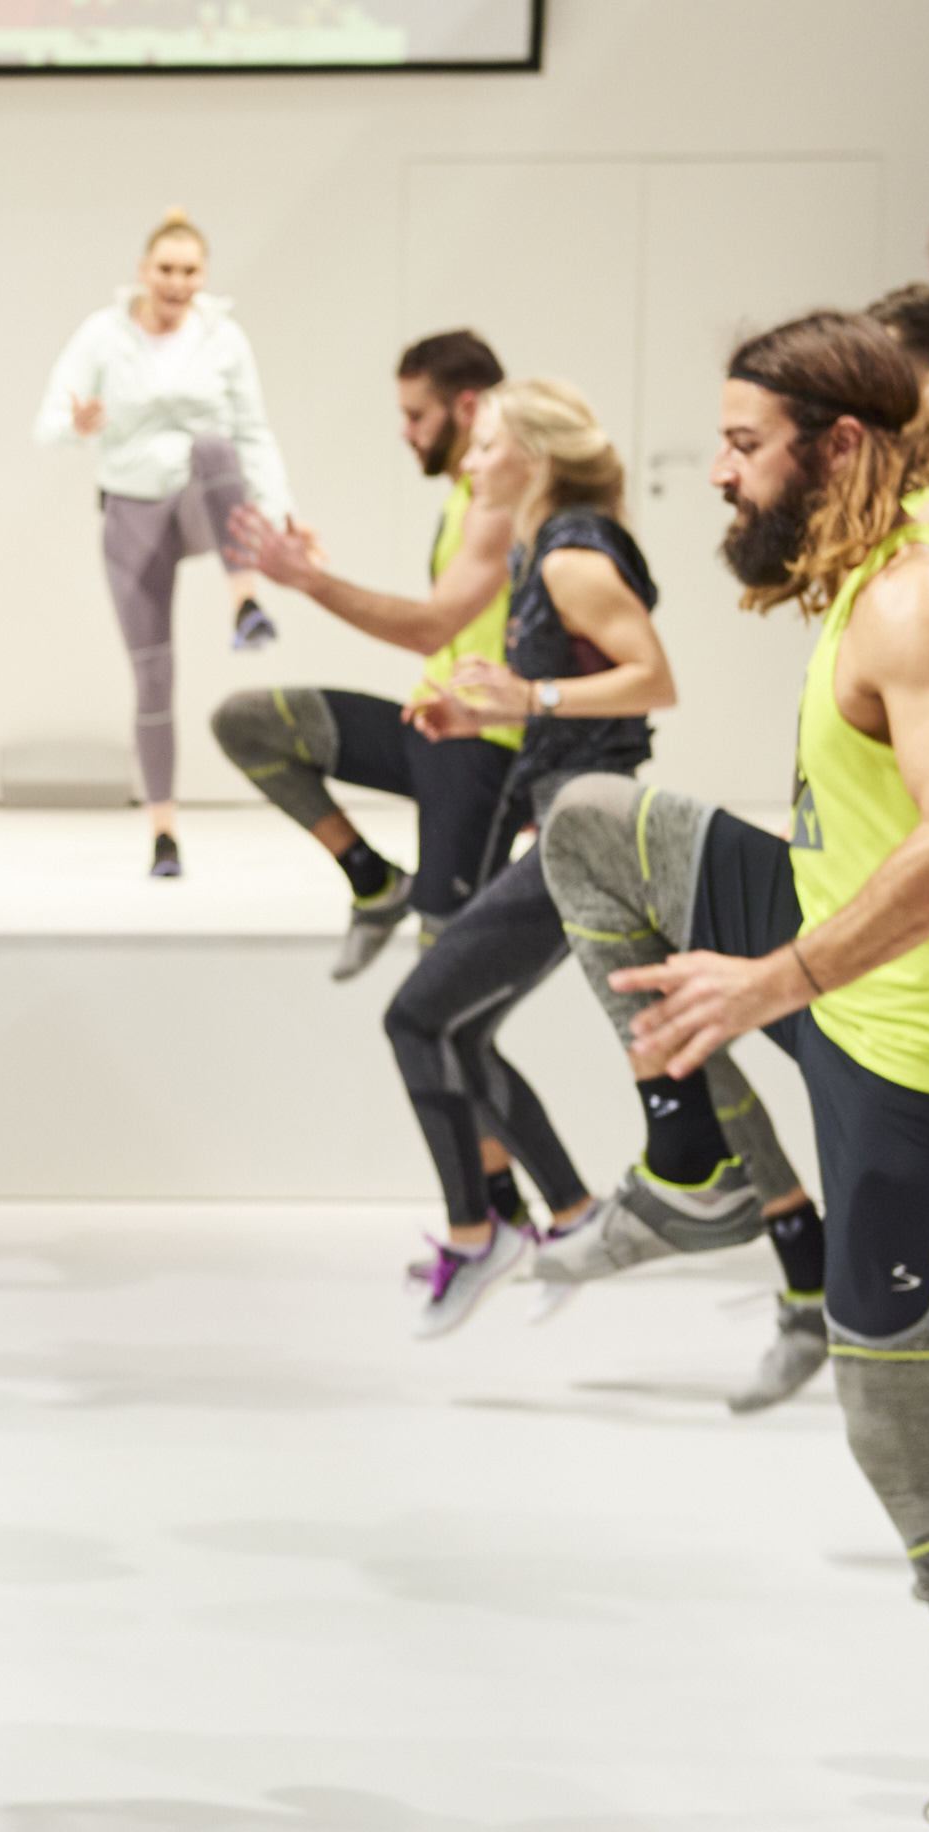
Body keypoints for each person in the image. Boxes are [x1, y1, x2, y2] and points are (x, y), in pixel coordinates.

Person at [536, 310, 929, 1832]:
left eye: (742, 445)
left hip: (920, 1053)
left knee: (896, 1436)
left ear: (841, 450)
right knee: (590, 827)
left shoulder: (924, 599)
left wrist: (778, 974)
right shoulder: (877, 562)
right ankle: (703, 1167)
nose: (716, 474)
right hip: (847, 949)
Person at [373, 380, 672, 1337]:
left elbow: (654, 680)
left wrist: (528, 701)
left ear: (532, 454)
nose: (469, 460)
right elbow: (564, 690)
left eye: (486, 443)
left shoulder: (574, 553)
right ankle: (571, 1218)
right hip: (567, 821)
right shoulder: (547, 546)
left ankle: (481, 1235)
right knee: (452, 1028)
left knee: (418, 1018)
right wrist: (483, 710)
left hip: (590, 830)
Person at [217, 330, 518, 978]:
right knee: (246, 722)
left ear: (466, 407)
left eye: (417, 415)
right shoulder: (468, 495)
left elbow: (429, 629)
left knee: (437, 985)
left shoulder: (506, 502)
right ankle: (375, 881)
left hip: (486, 747)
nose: (406, 432)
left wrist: (309, 581)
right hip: (430, 725)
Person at [34, 207, 292, 877]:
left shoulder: (223, 338)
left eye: (191, 271)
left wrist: (279, 510)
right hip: (131, 506)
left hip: (198, 502)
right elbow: (49, 425)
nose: (178, 283)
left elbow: (253, 432)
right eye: (167, 270)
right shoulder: (104, 334)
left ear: (204, 277)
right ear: (144, 273)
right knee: (153, 674)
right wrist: (80, 424)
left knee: (214, 446)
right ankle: (164, 833)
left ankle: (246, 604)